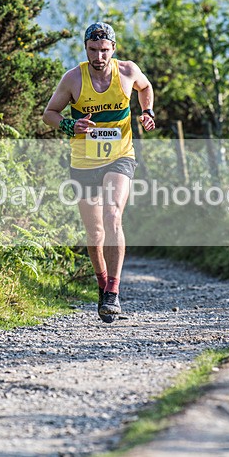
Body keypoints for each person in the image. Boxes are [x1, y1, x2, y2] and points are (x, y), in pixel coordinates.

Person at [43, 21, 155, 323]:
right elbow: (49, 114)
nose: (99, 56)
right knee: (94, 233)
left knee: (113, 214)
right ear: (86, 48)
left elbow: (146, 87)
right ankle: (103, 285)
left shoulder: (128, 71)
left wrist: (147, 111)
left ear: (113, 49)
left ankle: (114, 292)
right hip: (84, 161)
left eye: (104, 50)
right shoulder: (73, 79)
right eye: (93, 50)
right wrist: (70, 124)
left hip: (120, 156)